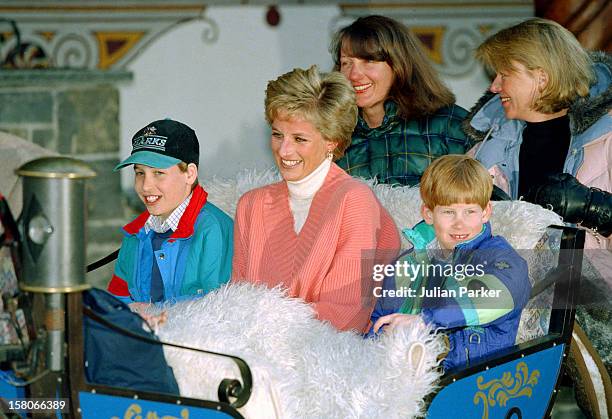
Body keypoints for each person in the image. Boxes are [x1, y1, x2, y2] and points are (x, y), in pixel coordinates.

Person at [464, 18, 611, 417]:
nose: (494, 86)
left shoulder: (608, 133)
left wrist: (593, 206)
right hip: (507, 305)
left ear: (541, 78)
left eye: (505, 74)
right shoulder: (489, 139)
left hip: (595, 310)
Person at [231, 66, 400, 333]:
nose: (284, 150)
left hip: (330, 358)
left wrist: (268, 327)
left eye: (300, 139)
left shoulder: (355, 201)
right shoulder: (250, 205)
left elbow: (347, 314)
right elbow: (237, 301)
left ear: (331, 141)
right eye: (277, 134)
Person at [371, 155, 530, 371]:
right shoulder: (409, 262)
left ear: (485, 213)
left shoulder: (500, 259)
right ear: (428, 214)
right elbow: (380, 319)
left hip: (472, 382)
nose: (459, 223)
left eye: (470, 212)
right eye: (448, 212)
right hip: (402, 372)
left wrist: (424, 321)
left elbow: (498, 294)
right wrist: (382, 338)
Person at [107, 119, 233, 317]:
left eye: (158, 173)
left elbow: (218, 306)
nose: (146, 186)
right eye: (140, 173)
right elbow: (117, 298)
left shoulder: (213, 229)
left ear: (190, 174)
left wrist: (154, 311)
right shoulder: (135, 234)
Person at [330, 15, 472, 186]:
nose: (354, 75)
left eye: (369, 60)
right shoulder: (332, 136)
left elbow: (489, 201)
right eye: (346, 63)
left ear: (399, 64)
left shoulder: (451, 125)